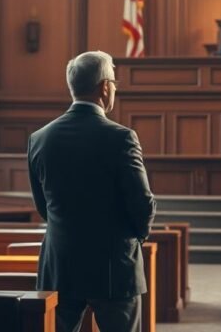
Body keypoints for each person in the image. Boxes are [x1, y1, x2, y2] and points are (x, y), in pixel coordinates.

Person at [28, 51, 156, 332]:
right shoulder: (121, 137)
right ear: (105, 87)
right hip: (114, 267)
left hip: (60, 263)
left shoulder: (39, 139)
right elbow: (142, 203)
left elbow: (43, 206)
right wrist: (137, 238)